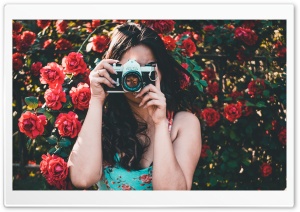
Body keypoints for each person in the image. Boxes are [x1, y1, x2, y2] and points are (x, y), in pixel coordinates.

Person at [67, 22, 202, 190]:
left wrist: (160, 123)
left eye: (147, 68)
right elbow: (82, 178)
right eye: (129, 70)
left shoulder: (183, 124)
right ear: (112, 71)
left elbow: (172, 197)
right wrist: (96, 100)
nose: (135, 78)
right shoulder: (101, 122)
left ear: (161, 71)